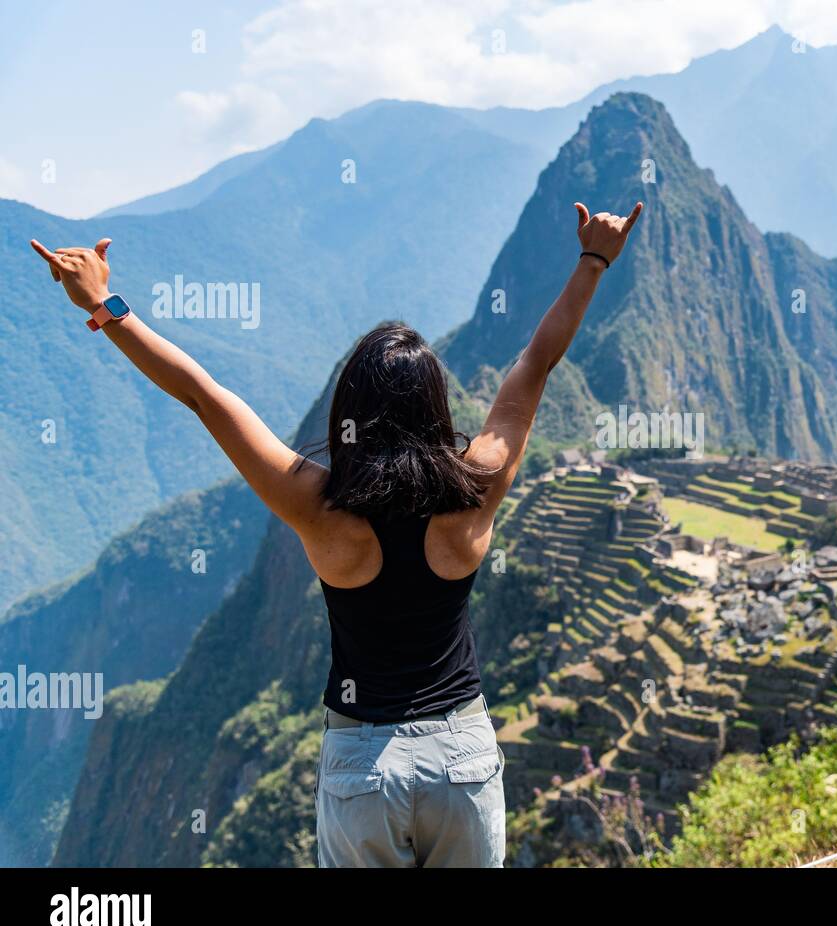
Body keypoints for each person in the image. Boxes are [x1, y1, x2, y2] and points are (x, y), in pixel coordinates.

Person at [29, 199, 643, 867]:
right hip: (461, 761)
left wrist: (104, 305)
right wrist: (593, 262)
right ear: (437, 407)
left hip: (362, 769)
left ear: (349, 409)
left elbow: (203, 394)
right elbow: (535, 364)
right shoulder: (480, 486)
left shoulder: (317, 505)